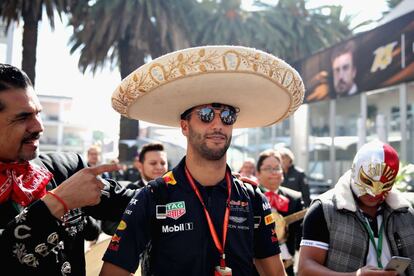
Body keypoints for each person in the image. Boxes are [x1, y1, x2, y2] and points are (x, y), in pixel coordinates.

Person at [100, 45, 305, 275]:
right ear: (185, 126)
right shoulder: (153, 196)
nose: (218, 125)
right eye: (206, 115)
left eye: (227, 116)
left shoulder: (252, 198)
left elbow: (275, 273)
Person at [0, 63, 135, 275]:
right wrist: (55, 204)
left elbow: (136, 202)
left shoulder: (65, 170)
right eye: (23, 117)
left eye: (38, 114)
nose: (38, 127)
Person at [298, 140, 414, 276]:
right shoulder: (324, 209)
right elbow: (305, 269)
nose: (374, 193)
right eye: (367, 181)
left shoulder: (407, 211)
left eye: (385, 185)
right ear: (354, 170)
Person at [256, 149, 304, 276]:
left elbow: (301, 232)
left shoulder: (295, 198)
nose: (273, 173)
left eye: (277, 168)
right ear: (258, 173)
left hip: (287, 264)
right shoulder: (250, 196)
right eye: (268, 168)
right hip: (256, 266)